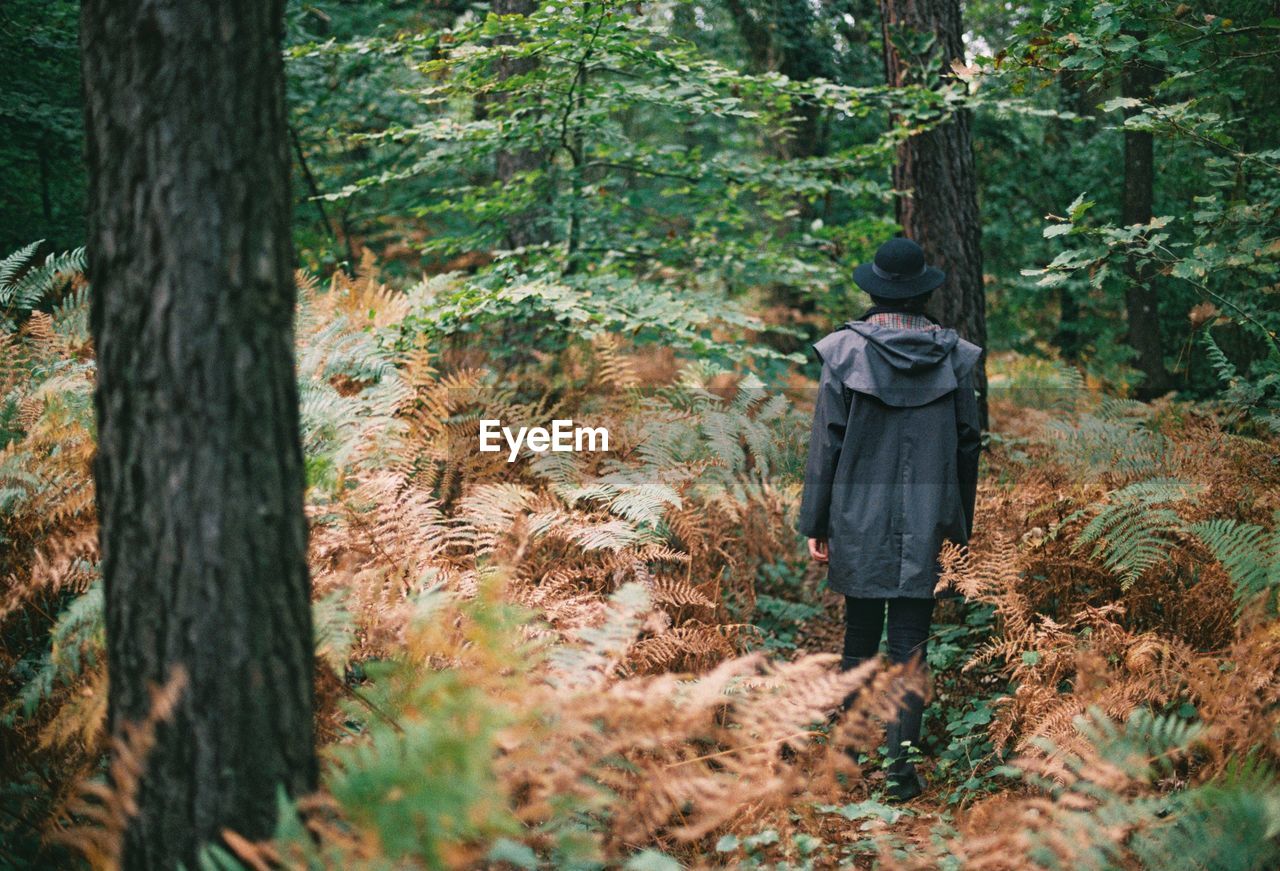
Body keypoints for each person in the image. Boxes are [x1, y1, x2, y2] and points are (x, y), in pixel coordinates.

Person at [798, 236, 982, 801]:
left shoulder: (843, 353)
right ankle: (900, 771)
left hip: (857, 513)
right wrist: (957, 524)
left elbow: (826, 444)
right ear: (924, 292)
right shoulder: (957, 357)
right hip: (929, 516)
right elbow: (967, 445)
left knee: (859, 634)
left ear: (874, 290)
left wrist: (817, 522)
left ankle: (846, 761)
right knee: (911, 641)